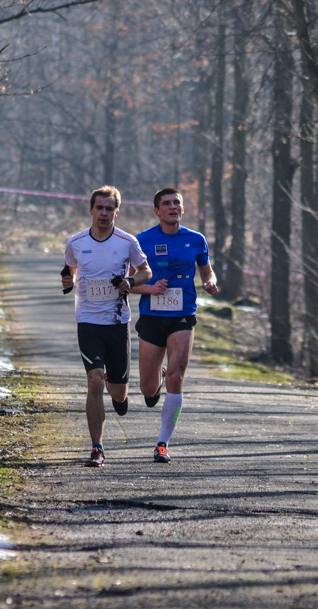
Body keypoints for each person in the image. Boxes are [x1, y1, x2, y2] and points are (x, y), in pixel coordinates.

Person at [62, 186, 151, 467]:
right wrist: (68, 280)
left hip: (117, 323)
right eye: (99, 208)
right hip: (88, 322)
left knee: (118, 395)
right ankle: (97, 448)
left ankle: (118, 390)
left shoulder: (127, 241)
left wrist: (131, 281)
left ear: (116, 212)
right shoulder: (75, 242)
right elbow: (70, 269)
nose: (103, 213)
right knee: (94, 380)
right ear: (91, 210)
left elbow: (146, 271)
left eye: (109, 208)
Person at [130, 187, 217, 463]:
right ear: (157, 211)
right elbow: (127, 284)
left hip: (183, 314)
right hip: (152, 316)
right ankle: (157, 380)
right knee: (147, 389)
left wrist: (209, 282)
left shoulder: (196, 239)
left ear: (183, 208)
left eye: (176, 202)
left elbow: (207, 271)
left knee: (177, 377)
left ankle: (162, 443)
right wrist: (149, 288)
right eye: (166, 203)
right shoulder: (142, 240)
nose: (172, 207)